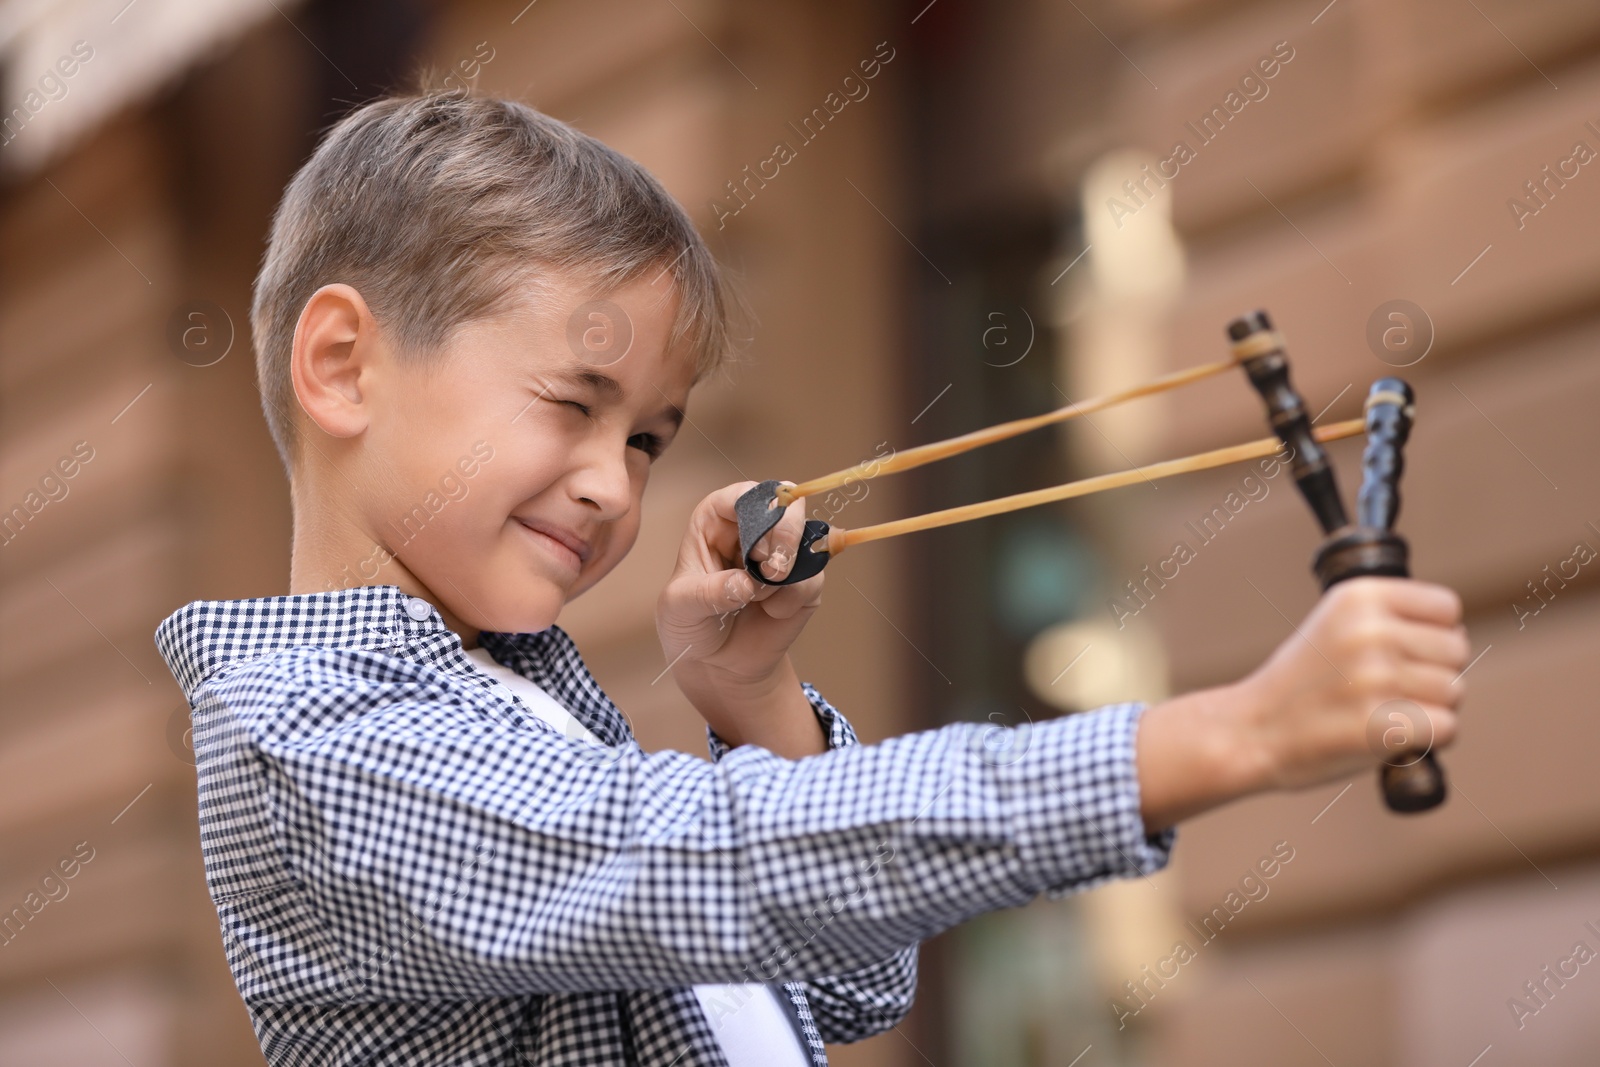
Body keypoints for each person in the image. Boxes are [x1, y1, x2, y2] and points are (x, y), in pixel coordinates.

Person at [153, 88, 1468, 1067]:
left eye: (648, 439)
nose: (617, 484)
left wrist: (754, 702)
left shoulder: (509, 701)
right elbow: (714, 865)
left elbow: (846, 981)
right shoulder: (311, 743)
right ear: (341, 366)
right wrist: (1228, 734)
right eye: (571, 403)